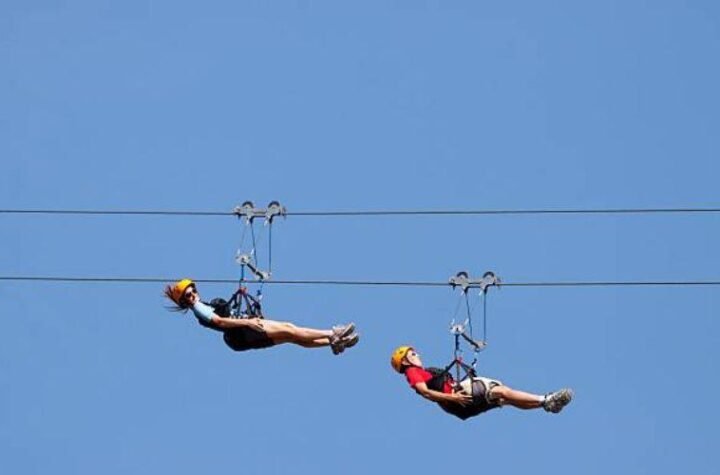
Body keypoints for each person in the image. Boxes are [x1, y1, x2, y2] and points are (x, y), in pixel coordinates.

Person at [165, 279, 359, 354]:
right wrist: (249, 320)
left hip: (242, 339)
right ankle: (333, 333)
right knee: (291, 328)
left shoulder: (201, 306)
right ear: (185, 302)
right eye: (188, 296)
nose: (192, 296)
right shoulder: (198, 308)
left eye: (192, 291)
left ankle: (333, 342)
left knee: (292, 337)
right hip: (245, 331)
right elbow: (219, 321)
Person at [390, 346, 573, 420]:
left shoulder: (421, 371)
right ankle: (546, 399)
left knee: (504, 399)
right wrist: (452, 397)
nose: (417, 354)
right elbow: (426, 392)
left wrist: (452, 398)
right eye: (412, 354)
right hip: (458, 400)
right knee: (501, 392)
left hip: (460, 407)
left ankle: (546, 404)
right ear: (405, 362)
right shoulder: (412, 372)